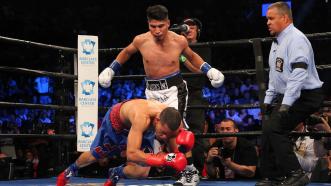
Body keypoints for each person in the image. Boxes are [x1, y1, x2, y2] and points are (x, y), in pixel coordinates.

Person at [98, 5, 224, 186]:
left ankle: (190, 171)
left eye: (161, 26)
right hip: (151, 92)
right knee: (154, 133)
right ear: (148, 24)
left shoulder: (179, 40)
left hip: (174, 90)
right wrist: (111, 69)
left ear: (168, 23)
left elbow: (192, 55)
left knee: (177, 128)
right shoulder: (141, 40)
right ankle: (148, 167)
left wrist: (208, 70)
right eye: (153, 26)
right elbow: (126, 52)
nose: (157, 31)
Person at [256, 2, 324, 186]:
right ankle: (273, 176)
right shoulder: (277, 41)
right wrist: (268, 101)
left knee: (276, 127)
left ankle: (296, 173)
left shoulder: (296, 39)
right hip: (291, 95)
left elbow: (298, 74)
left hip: (306, 95)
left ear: (284, 18)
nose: (267, 22)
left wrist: (286, 103)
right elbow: (274, 76)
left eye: (271, 18)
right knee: (268, 129)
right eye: (267, 19)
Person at [56, 99, 195, 186]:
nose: (164, 137)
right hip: (116, 123)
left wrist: (178, 155)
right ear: (157, 120)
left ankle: (116, 172)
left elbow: (174, 147)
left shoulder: (175, 122)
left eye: (167, 134)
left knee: (142, 172)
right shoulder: (143, 117)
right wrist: (164, 158)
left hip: (143, 131)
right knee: (96, 155)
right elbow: (132, 154)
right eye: (163, 133)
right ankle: (70, 171)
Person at [178, 18, 210, 175]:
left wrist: (183, 58)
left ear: (198, 30)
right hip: (175, 93)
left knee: (195, 132)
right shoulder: (174, 47)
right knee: (175, 131)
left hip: (195, 95)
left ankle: (196, 170)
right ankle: (179, 170)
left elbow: (199, 71)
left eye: (192, 27)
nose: (189, 29)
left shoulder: (203, 48)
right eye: (186, 27)